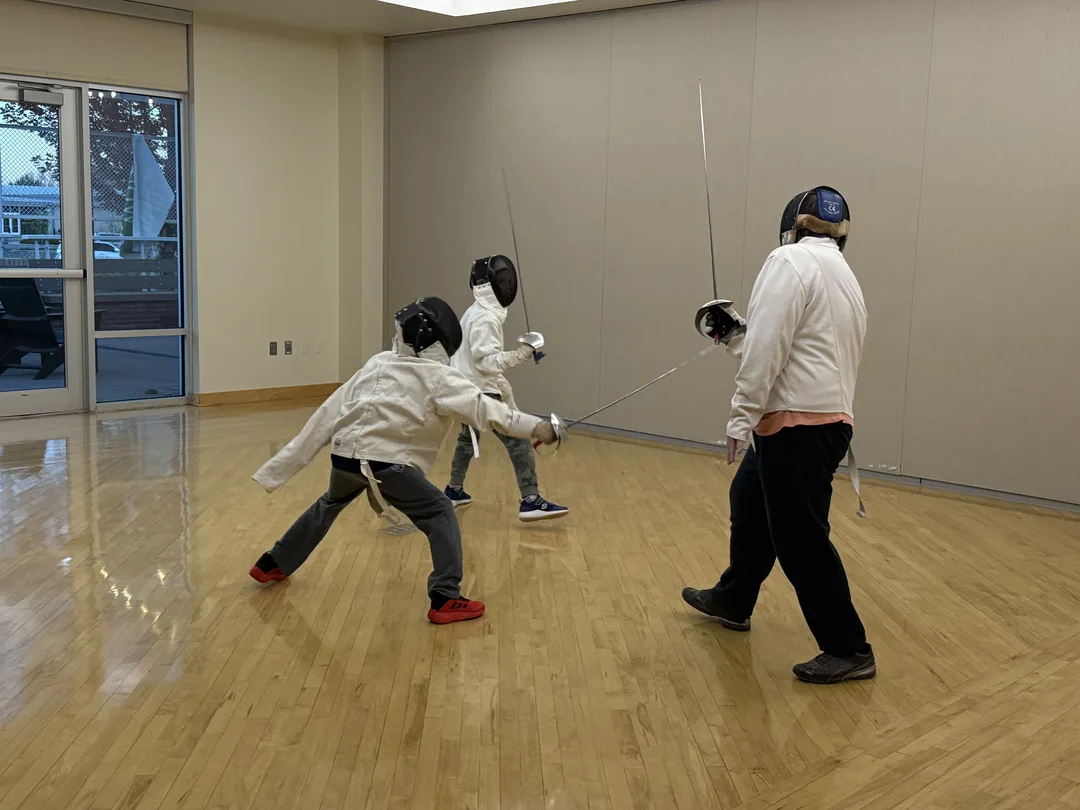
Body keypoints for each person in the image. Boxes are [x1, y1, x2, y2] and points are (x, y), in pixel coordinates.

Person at [249, 296, 558, 624]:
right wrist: (539, 428)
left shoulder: (378, 362)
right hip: (387, 464)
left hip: (345, 457)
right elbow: (488, 410)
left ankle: (272, 564)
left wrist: (277, 470)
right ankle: (445, 598)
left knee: (329, 503)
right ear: (439, 339)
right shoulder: (440, 376)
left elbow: (328, 413)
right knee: (439, 511)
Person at [681, 187, 875, 684]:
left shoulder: (787, 260)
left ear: (791, 225)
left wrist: (739, 418)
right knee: (749, 499)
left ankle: (848, 648)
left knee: (800, 538)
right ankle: (733, 599)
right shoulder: (844, 275)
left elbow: (768, 349)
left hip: (797, 426)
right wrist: (735, 336)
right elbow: (796, 347)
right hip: (815, 421)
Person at [444, 255, 569, 522]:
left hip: (466, 387)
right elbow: (487, 362)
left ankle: (453, 491)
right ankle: (530, 500)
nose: (507, 285)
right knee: (519, 439)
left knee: (468, 438)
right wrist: (523, 353)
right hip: (478, 390)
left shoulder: (475, 312)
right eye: (502, 281)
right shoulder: (485, 318)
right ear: (489, 285)